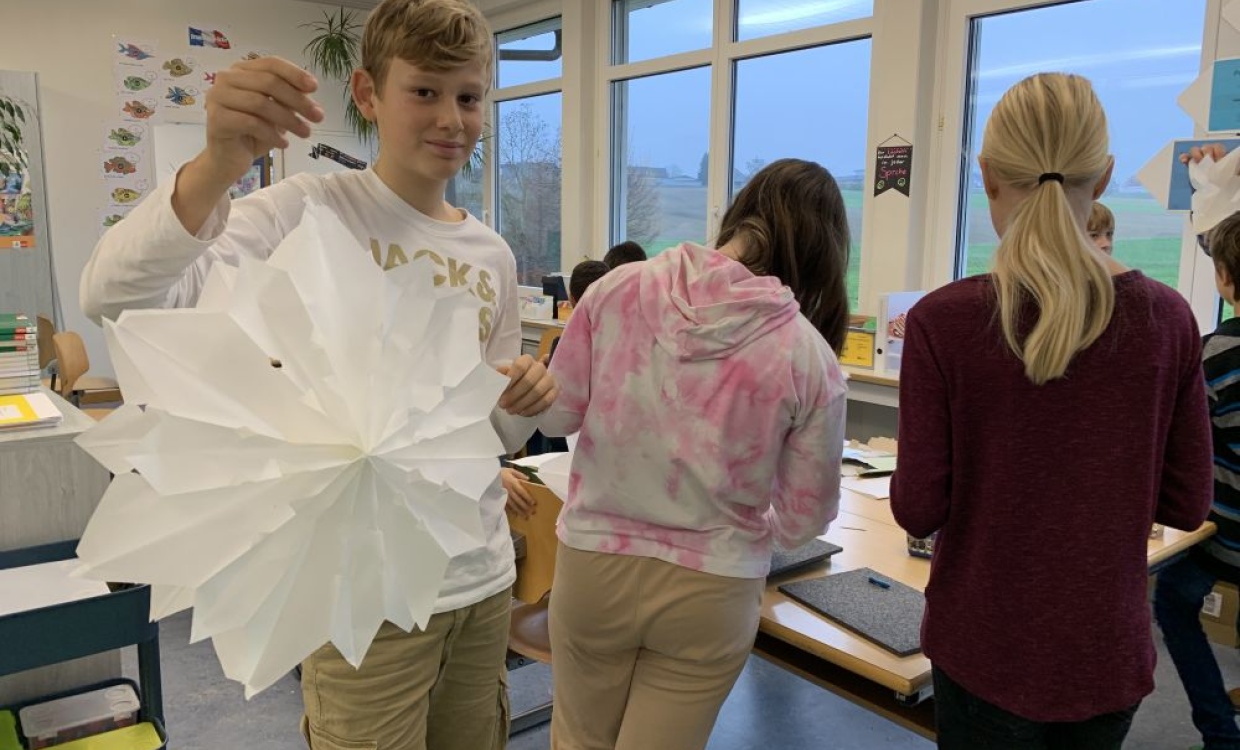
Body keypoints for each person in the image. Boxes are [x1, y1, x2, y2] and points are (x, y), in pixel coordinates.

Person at [79, 1, 558, 748]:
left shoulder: (491, 253)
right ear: (367, 94)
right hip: (361, 594)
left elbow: (480, 430)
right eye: (424, 91)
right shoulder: (302, 213)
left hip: (482, 577)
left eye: (469, 97)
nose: (451, 119)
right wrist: (217, 166)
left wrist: (521, 402)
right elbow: (114, 297)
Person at [889, 72, 1213, 750]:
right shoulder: (1169, 320)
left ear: (986, 176)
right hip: (1105, 651)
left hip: (982, 647)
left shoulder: (943, 322)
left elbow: (918, 509)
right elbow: (1187, 506)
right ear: (1105, 176)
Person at [537, 158, 850, 750]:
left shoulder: (614, 290)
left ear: (741, 212)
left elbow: (555, 417)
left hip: (594, 563)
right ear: (824, 251)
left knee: (577, 741)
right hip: (712, 585)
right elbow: (803, 523)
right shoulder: (807, 354)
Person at [1154, 209, 1240, 750]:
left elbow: (1179, 443)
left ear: (1224, 278)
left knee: (1172, 601)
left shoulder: (1215, 355)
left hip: (1228, 536)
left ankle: (1218, 731)